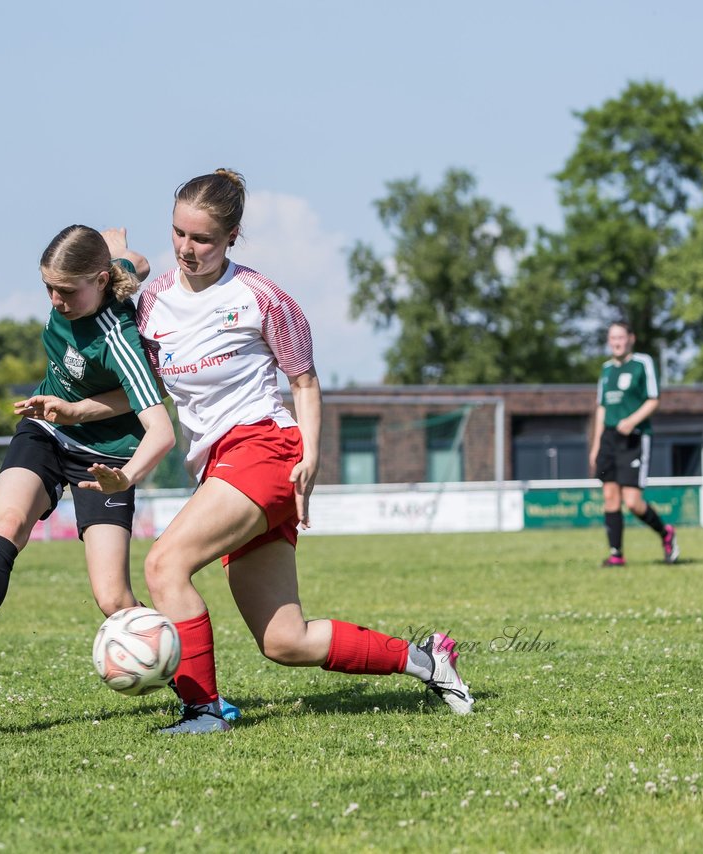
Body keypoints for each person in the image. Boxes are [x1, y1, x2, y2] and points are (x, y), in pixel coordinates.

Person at [112, 169, 473, 733]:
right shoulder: (153, 303)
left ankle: (203, 711)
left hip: (265, 451)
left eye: (202, 238)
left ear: (232, 237)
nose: (187, 248)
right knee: (285, 640)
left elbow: (303, 381)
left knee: (165, 564)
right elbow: (131, 368)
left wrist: (312, 457)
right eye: (178, 233)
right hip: (219, 472)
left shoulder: (262, 297)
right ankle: (426, 658)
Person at [0, 225, 206, 698]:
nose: (55, 300)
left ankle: (198, 696)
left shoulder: (118, 338)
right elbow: (133, 266)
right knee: (10, 518)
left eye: (65, 291)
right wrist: (121, 251)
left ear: (98, 281)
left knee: (112, 597)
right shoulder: (99, 280)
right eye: (48, 289)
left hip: (105, 459)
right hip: (46, 428)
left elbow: (162, 430)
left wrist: (125, 477)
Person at [589, 320, 678, 567]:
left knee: (632, 501)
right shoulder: (606, 370)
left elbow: (653, 399)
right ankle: (616, 554)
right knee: (609, 495)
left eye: (620, 337)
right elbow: (601, 407)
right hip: (608, 438)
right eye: (612, 338)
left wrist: (632, 420)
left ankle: (666, 533)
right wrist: (596, 444)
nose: (616, 342)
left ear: (631, 338)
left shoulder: (642, 364)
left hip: (634, 438)